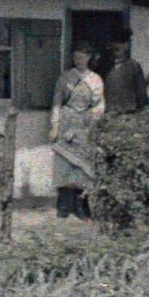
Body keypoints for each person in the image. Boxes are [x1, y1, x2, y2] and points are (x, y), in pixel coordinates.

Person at [50, 46, 103, 219]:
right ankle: (63, 205)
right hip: (67, 122)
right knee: (64, 165)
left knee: (82, 167)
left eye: (81, 57)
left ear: (88, 57)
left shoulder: (95, 79)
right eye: (75, 57)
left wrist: (93, 121)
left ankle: (81, 205)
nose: (78, 60)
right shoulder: (66, 77)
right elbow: (57, 102)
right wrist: (55, 126)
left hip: (85, 124)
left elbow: (99, 105)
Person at [101, 40, 146, 116]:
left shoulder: (133, 66)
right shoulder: (104, 65)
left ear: (126, 45)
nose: (117, 47)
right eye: (115, 43)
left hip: (128, 112)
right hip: (108, 112)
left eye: (121, 44)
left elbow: (140, 91)